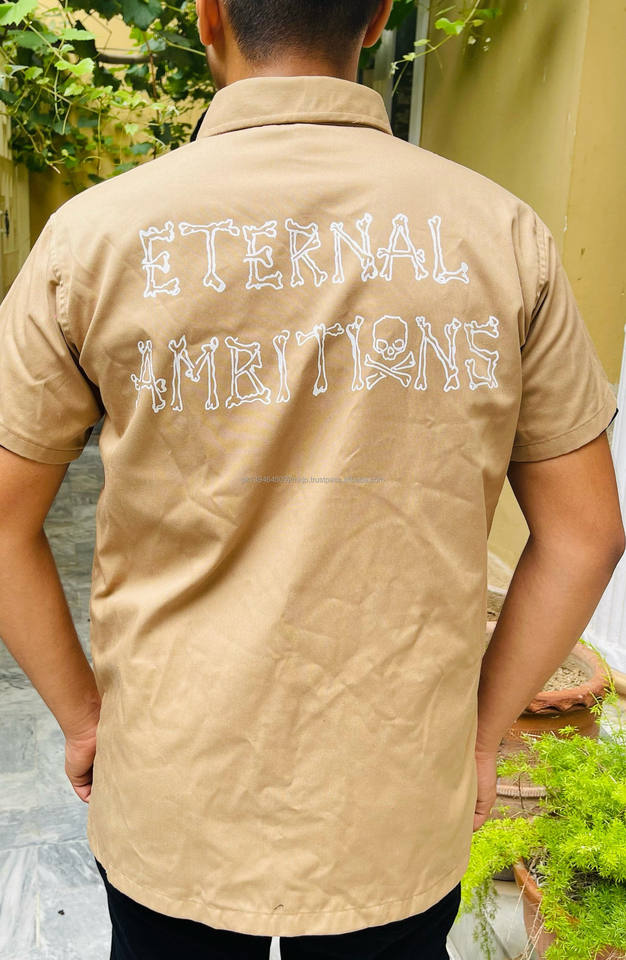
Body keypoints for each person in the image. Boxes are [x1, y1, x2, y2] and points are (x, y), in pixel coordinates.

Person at [0, 0, 623, 957]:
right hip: (396, 800)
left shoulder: (94, 239)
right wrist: (481, 734)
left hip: (174, 794)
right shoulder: (503, 236)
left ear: (209, 15)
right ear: (377, 18)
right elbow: (587, 534)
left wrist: (86, 722)